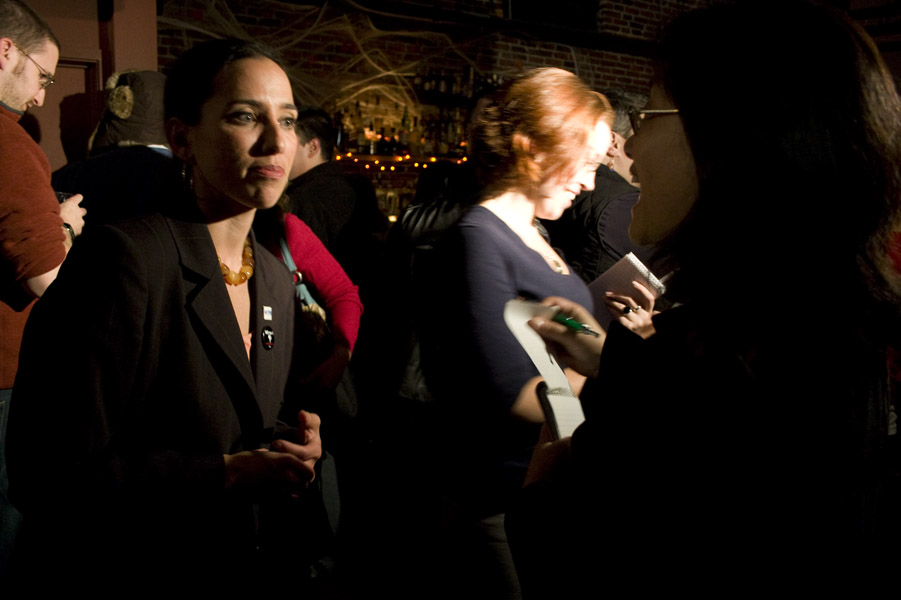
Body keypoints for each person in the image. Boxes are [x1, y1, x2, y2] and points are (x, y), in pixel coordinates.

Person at [510, 0, 901, 589]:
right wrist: (615, 354)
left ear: (730, 137)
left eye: (649, 114)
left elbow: (560, 536)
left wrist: (564, 417)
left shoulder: (690, 362)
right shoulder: (846, 324)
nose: (630, 148)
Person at [7, 38, 321, 589]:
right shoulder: (126, 260)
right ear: (181, 138)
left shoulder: (271, 277)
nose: (276, 141)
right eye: (246, 116)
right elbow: (49, 476)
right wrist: (222, 474)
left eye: (289, 119)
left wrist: (286, 443)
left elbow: (228, 417)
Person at [415, 68, 613, 598]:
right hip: (496, 495)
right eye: (587, 162)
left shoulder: (531, 230)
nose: (590, 182)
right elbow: (516, 398)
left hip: (541, 485)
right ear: (534, 145)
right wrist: (602, 361)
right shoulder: (481, 238)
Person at [0, 0, 86, 578]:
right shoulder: (9, 143)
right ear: (6, 50)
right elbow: (45, 276)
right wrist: (66, 228)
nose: (41, 98)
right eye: (43, 76)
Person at [542, 88, 655, 283]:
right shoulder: (623, 202)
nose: (647, 147)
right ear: (613, 143)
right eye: (641, 134)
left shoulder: (565, 185)